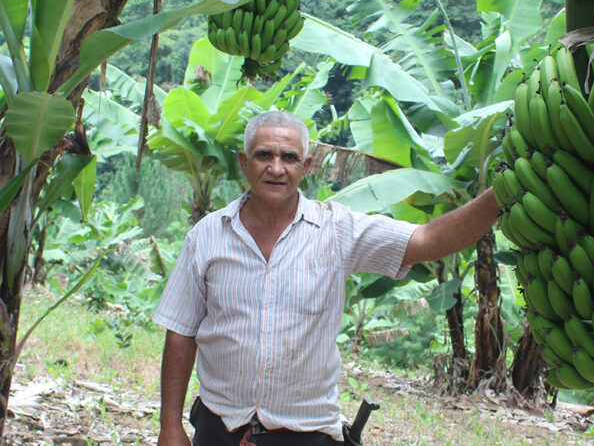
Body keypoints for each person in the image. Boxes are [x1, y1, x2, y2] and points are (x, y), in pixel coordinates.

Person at [154, 110, 500, 446]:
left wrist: (500, 195)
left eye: (289, 157)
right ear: (244, 162)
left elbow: (426, 240)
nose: (276, 168)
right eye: (264, 156)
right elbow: (181, 331)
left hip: (307, 434)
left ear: (306, 167)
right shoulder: (207, 236)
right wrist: (170, 427)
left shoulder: (336, 231)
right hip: (220, 429)